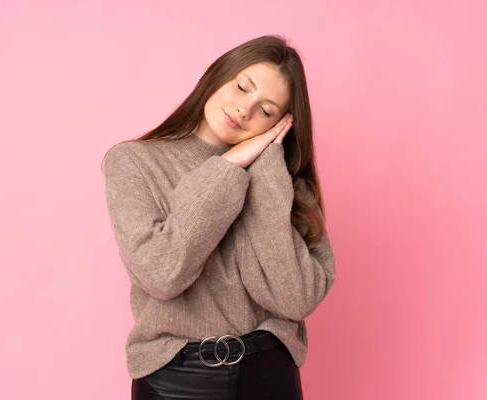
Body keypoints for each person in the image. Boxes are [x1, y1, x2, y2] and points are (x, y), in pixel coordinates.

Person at [101, 34, 336, 400]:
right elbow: (163, 274)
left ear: (282, 123)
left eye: (266, 110)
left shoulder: (284, 179)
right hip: (174, 380)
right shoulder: (134, 162)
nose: (244, 110)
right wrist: (228, 167)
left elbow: (296, 299)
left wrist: (266, 169)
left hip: (270, 375)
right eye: (242, 87)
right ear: (217, 75)